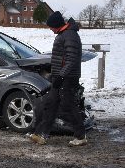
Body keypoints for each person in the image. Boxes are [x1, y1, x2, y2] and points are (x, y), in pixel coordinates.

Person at [28, 11, 87, 146]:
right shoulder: (63, 34)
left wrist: (61, 76)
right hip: (61, 77)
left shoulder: (70, 35)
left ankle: (80, 136)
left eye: (50, 26)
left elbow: (71, 60)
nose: (50, 29)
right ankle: (41, 134)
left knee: (68, 106)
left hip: (68, 78)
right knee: (51, 105)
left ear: (56, 25)